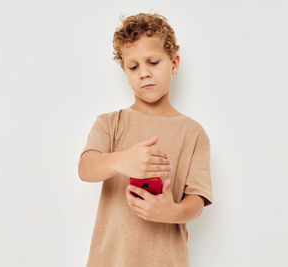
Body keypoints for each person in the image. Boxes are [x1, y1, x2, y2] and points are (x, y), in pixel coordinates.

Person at [78, 12, 213, 267]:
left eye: (153, 62)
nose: (144, 73)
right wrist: (122, 161)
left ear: (174, 63)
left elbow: (197, 201)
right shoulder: (110, 123)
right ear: (125, 71)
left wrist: (170, 212)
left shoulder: (193, 133)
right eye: (134, 66)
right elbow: (86, 168)